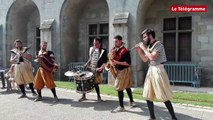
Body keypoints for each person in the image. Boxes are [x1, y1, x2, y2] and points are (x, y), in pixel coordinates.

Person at [135, 29, 177, 120]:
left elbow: (152, 57)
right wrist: (139, 51)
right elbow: (145, 59)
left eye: (145, 37)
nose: (144, 39)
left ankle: (174, 118)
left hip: (158, 71)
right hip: (151, 70)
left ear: (150, 35)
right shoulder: (150, 46)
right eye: (143, 38)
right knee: (148, 95)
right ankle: (152, 117)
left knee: (164, 96)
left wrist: (143, 48)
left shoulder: (159, 44)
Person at [109, 35, 135, 112]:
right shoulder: (115, 49)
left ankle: (121, 106)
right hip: (119, 70)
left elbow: (128, 63)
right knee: (127, 86)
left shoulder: (125, 51)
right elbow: (112, 58)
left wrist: (116, 62)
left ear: (120, 41)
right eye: (114, 42)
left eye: (116, 41)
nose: (115, 43)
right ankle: (131, 102)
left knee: (119, 88)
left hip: (124, 70)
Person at [79, 38, 108, 102]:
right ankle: (83, 96)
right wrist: (86, 64)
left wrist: (101, 68)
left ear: (100, 44)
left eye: (96, 43)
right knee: (84, 81)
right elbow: (90, 58)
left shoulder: (103, 51)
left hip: (97, 69)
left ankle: (98, 97)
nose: (95, 45)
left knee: (96, 83)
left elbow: (105, 62)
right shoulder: (92, 49)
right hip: (90, 68)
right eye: (94, 43)